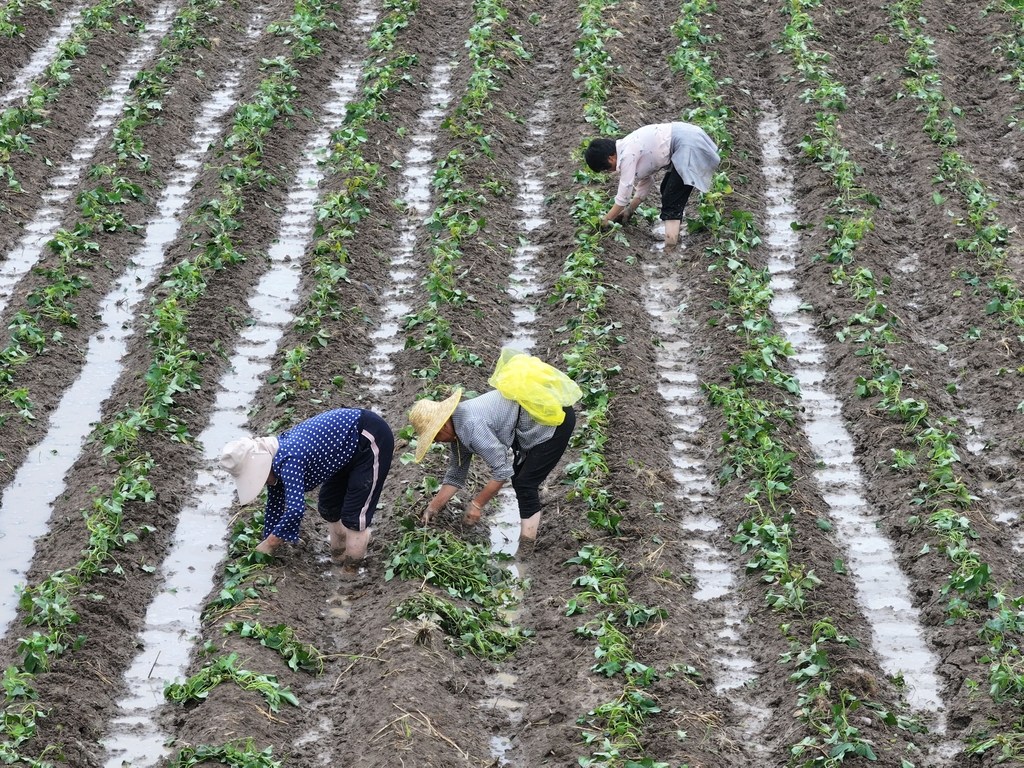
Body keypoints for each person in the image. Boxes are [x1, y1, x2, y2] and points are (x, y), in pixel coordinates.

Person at [219, 408, 394, 577]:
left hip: (369, 438)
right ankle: (337, 557)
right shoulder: (276, 460)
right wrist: (266, 540)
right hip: (343, 452)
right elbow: (275, 505)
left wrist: (271, 543)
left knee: (354, 517)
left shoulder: (289, 459)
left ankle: (350, 574)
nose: (262, 482)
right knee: (329, 507)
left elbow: (296, 510)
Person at [408, 388, 576, 559]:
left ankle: (525, 551)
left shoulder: (470, 426)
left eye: (435, 438)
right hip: (535, 417)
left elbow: (502, 472)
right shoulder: (457, 427)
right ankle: (526, 543)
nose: (438, 442)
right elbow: (456, 474)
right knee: (520, 479)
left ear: (442, 426)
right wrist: (432, 509)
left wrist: (477, 505)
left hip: (553, 419)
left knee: (525, 484)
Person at [584, 121, 720, 248]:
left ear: (610, 158)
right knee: (666, 187)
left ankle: (670, 248)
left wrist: (607, 220)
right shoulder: (627, 146)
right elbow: (646, 181)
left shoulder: (627, 154)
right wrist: (629, 211)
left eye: (607, 168)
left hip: (688, 144)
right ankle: (672, 241)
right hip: (687, 137)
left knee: (671, 198)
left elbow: (624, 193)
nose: (611, 171)